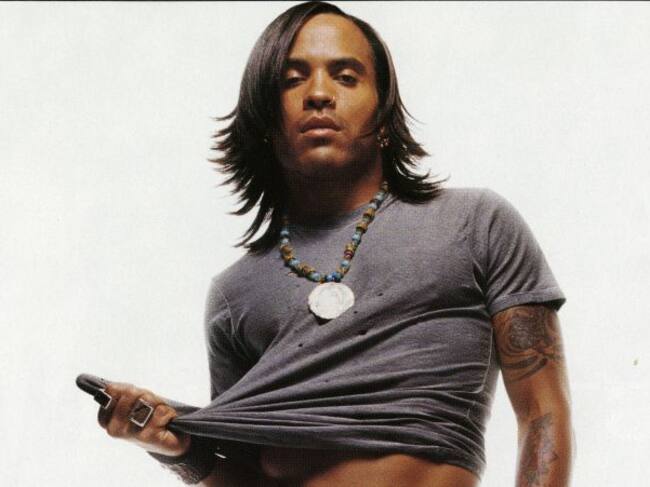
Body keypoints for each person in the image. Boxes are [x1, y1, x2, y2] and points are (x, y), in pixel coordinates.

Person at [95, 2, 573, 486]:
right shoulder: (233, 294)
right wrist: (174, 449)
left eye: (345, 77)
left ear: (383, 115)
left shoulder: (475, 224)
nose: (319, 94)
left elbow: (543, 413)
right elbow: (242, 474)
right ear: (265, 121)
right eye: (292, 80)